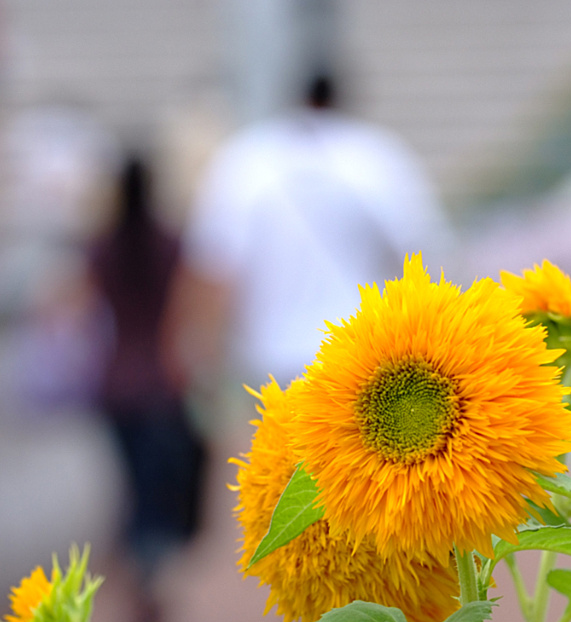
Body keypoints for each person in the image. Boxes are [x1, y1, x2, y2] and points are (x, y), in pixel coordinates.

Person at [183, 72, 454, 390]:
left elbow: (213, 268)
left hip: (272, 360)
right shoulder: (375, 155)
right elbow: (426, 253)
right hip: (357, 354)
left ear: (292, 101)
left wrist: (204, 354)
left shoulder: (248, 157)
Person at [87, 154, 206, 622]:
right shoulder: (170, 243)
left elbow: (73, 305)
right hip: (160, 384)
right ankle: (152, 578)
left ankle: (135, 581)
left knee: (130, 487)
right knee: (161, 488)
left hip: (114, 384)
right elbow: (189, 308)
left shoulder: (101, 247)